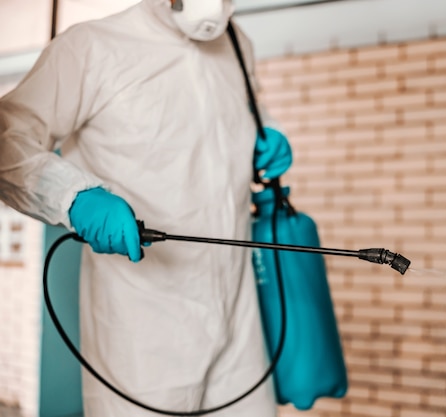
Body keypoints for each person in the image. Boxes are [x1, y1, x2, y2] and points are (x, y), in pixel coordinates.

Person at [0, 0, 292, 416]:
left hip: (238, 322)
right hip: (141, 334)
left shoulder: (237, 42)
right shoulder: (90, 48)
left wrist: (269, 132)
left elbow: (243, 117)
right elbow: (7, 140)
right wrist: (73, 196)